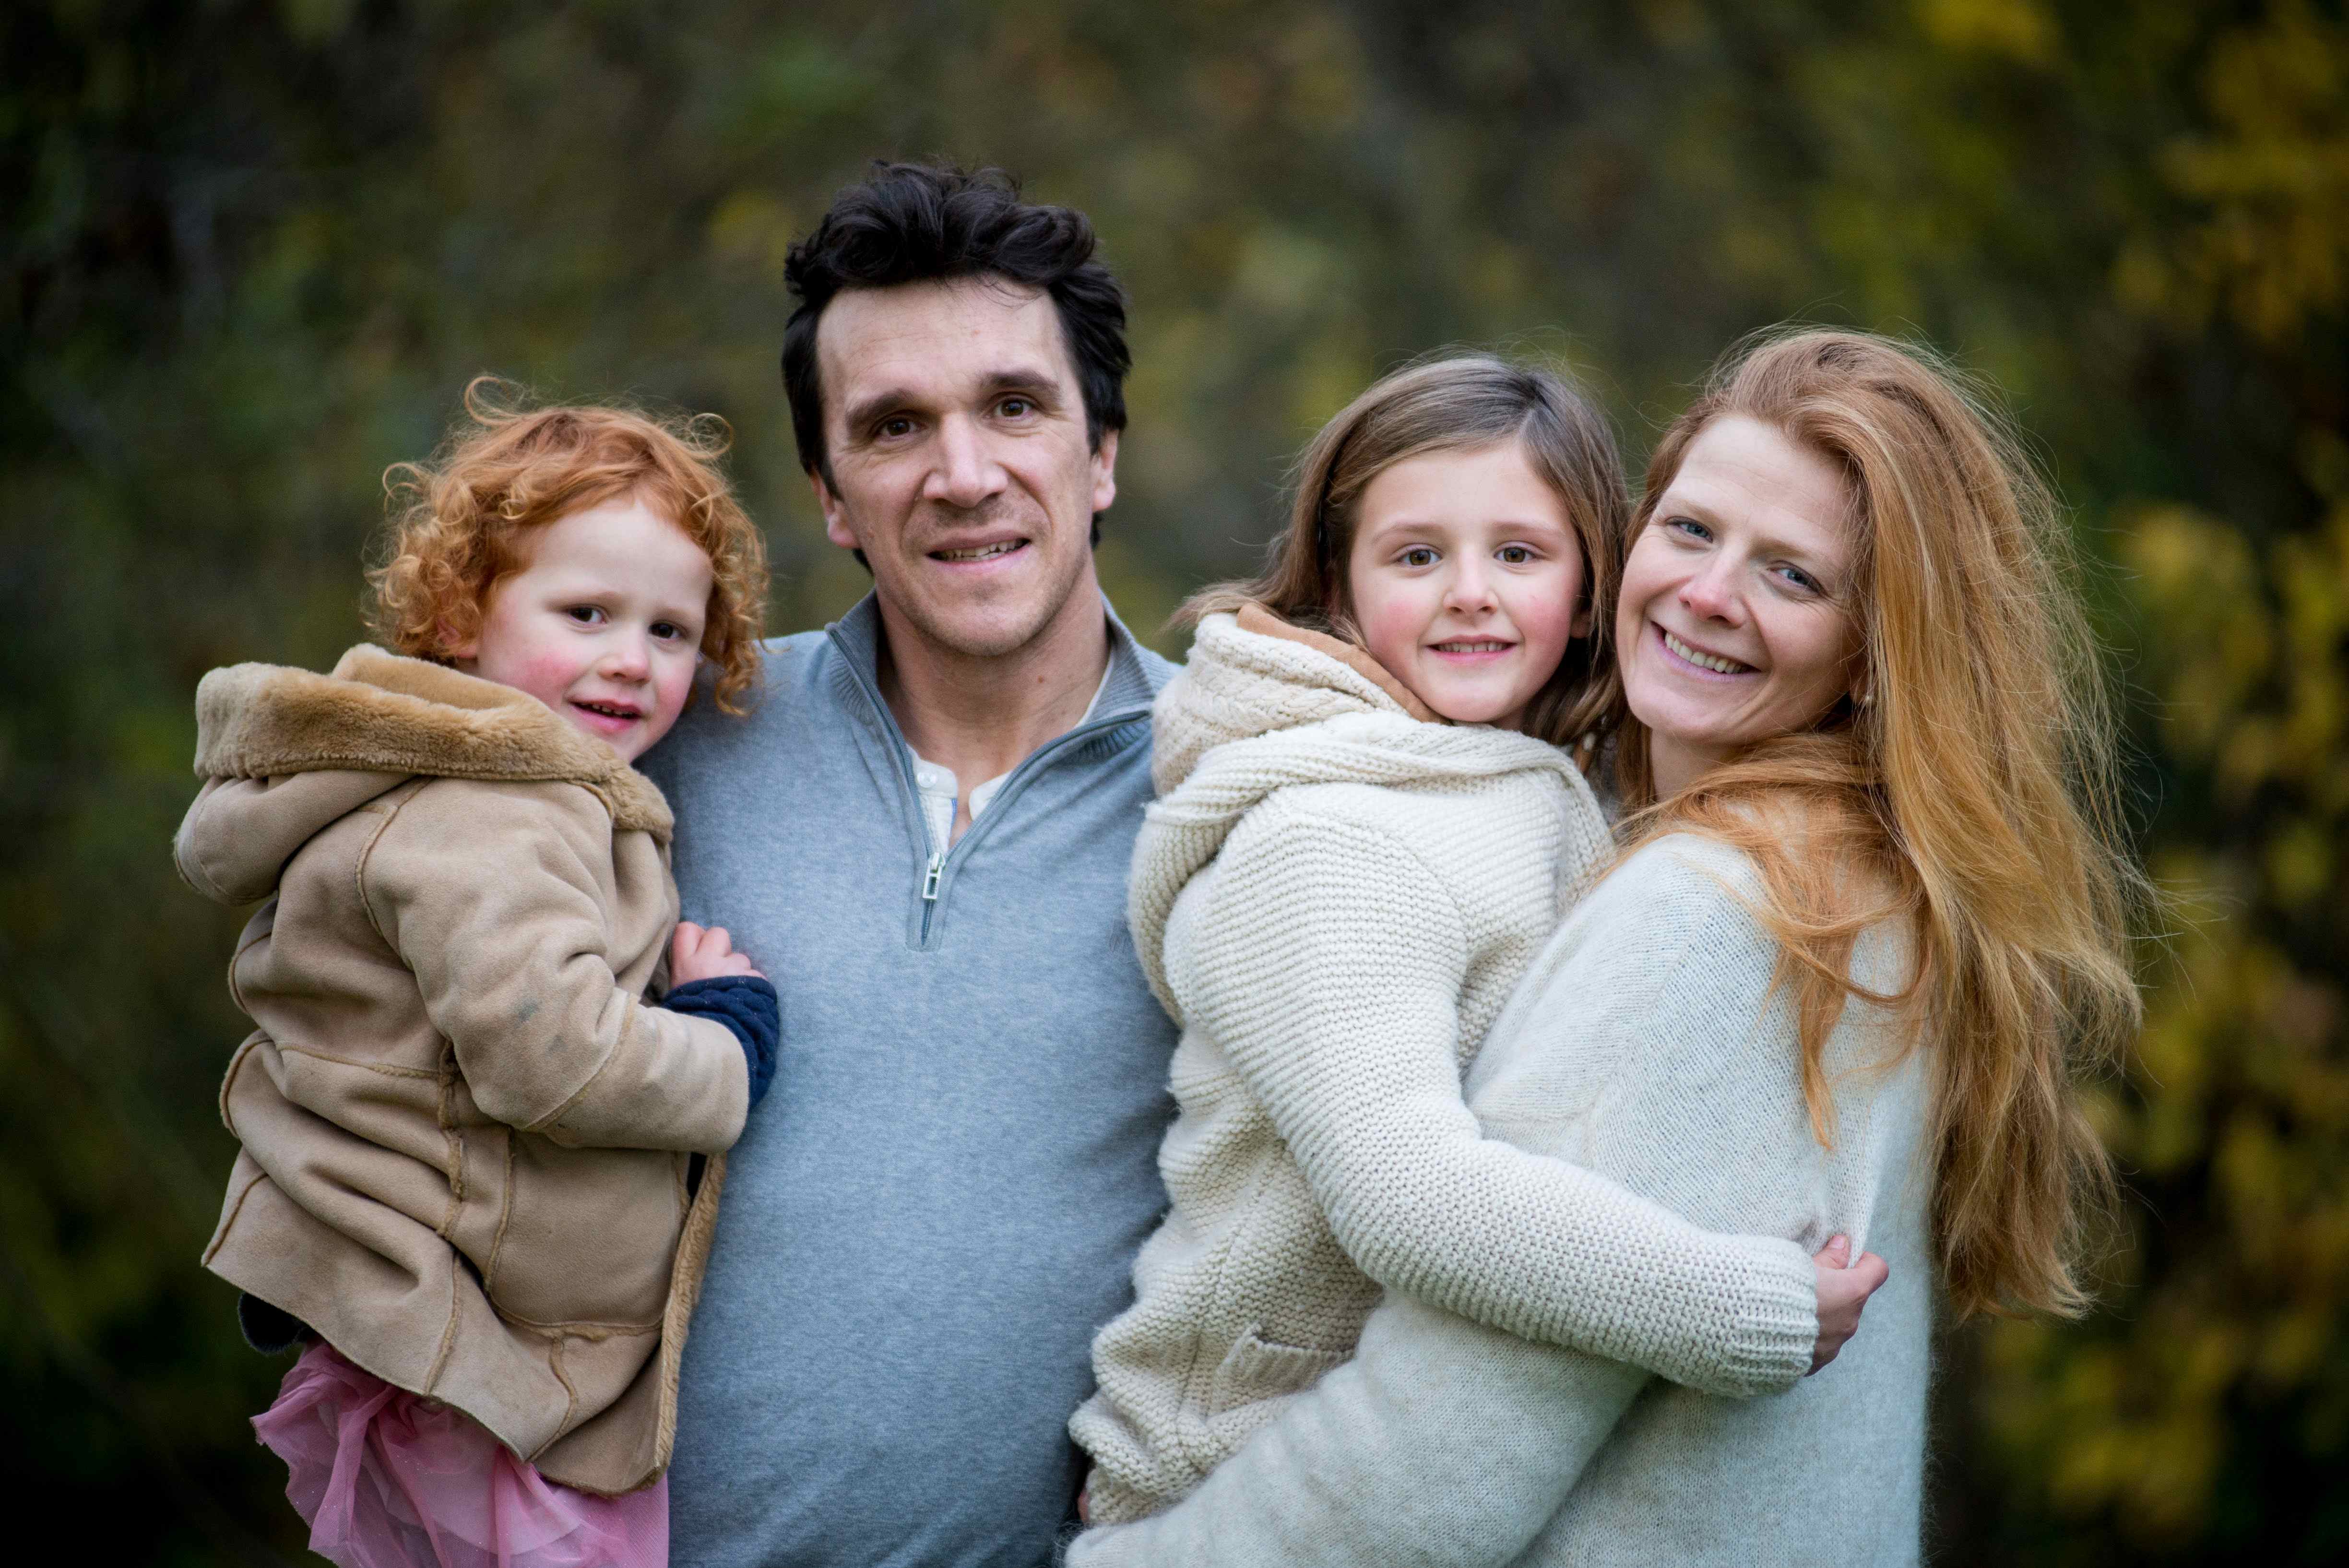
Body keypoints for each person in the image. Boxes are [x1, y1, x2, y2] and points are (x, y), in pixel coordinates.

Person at [1068, 328, 2143, 1567]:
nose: (1709, 593)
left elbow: (1437, 1455)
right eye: (1691, 532)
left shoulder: (1705, 905)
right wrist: (1743, 1305)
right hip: (1200, 1462)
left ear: (1877, 646)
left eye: (1794, 576)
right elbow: (1411, 1203)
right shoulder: (1826, 884)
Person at [637, 165, 1183, 1566]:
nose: (962, 474)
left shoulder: (1248, 790)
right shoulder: (668, 752)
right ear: (828, 493)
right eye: (893, 427)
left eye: (1014, 405)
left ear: (1102, 452)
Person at [174, 386, 783, 1568]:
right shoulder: (504, 810)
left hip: (424, 1317)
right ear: (462, 614)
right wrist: (725, 1038)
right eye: (588, 611)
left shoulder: (455, 781)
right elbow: (548, 1055)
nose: (629, 659)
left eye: (669, 630)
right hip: (476, 1355)